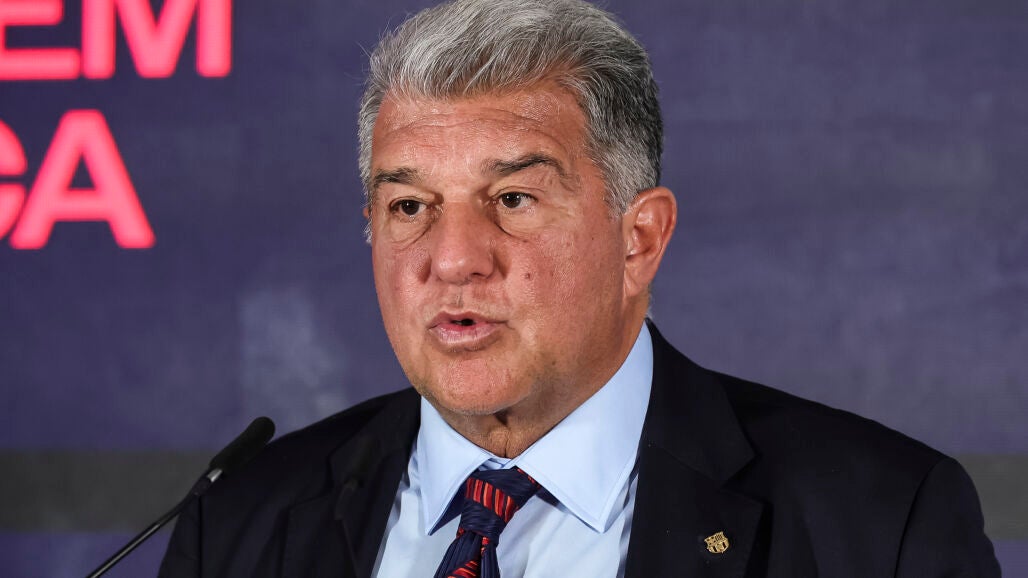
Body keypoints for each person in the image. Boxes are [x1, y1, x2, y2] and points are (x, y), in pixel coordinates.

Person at [159, 0, 1000, 576]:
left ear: (640, 240)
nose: (453, 260)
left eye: (513, 200)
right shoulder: (237, 526)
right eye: (410, 206)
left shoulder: (881, 525)